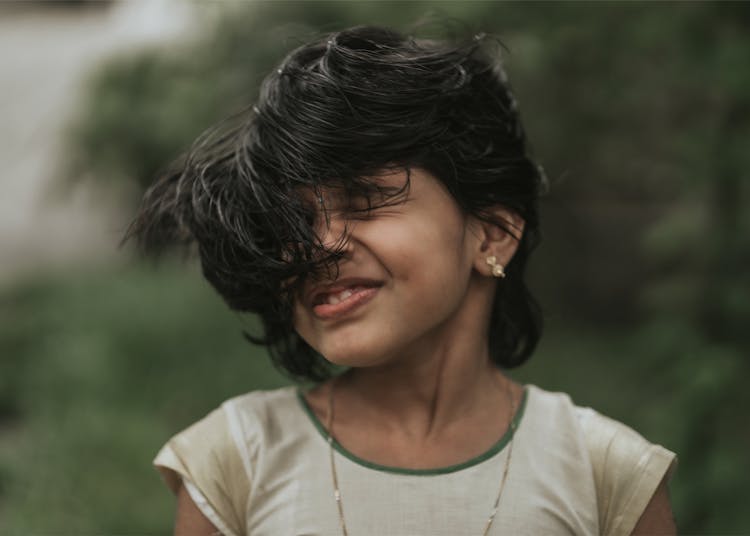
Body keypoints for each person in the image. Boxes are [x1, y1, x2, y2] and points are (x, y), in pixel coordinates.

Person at [127, 25, 677, 535]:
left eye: (364, 199)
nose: (318, 247)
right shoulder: (236, 462)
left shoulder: (607, 475)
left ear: (490, 235)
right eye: (291, 223)